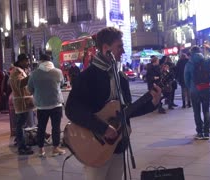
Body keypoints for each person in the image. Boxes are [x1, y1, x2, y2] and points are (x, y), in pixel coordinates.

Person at [65, 27, 161, 180]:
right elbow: (71, 110)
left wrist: (152, 104)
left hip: (118, 145)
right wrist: (102, 127)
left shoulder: (121, 77)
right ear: (105, 48)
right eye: (119, 46)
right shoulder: (87, 77)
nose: (123, 51)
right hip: (95, 146)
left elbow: (127, 111)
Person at [28, 54, 66, 157]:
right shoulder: (58, 72)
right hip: (56, 103)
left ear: (40, 61)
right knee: (56, 127)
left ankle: (41, 150)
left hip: (41, 105)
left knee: (41, 127)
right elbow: (62, 84)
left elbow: (30, 90)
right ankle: (55, 148)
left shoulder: (34, 74)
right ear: (50, 61)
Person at [184, 44, 210, 140]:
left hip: (194, 90)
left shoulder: (189, 64)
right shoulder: (207, 61)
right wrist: (209, 48)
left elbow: (186, 79)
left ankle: (199, 133)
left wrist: (191, 87)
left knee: (196, 112)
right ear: (200, 52)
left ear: (191, 53)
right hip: (206, 88)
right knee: (206, 110)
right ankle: (206, 133)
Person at [9, 54, 35, 155]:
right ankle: (21, 147)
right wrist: (30, 77)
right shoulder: (16, 71)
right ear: (20, 62)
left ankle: (23, 145)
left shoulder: (19, 71)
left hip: (24, 102)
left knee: (21, 125)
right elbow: (19, 84)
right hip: (21, 102)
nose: (27, 63)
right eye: (26, 61)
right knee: (20, 125)